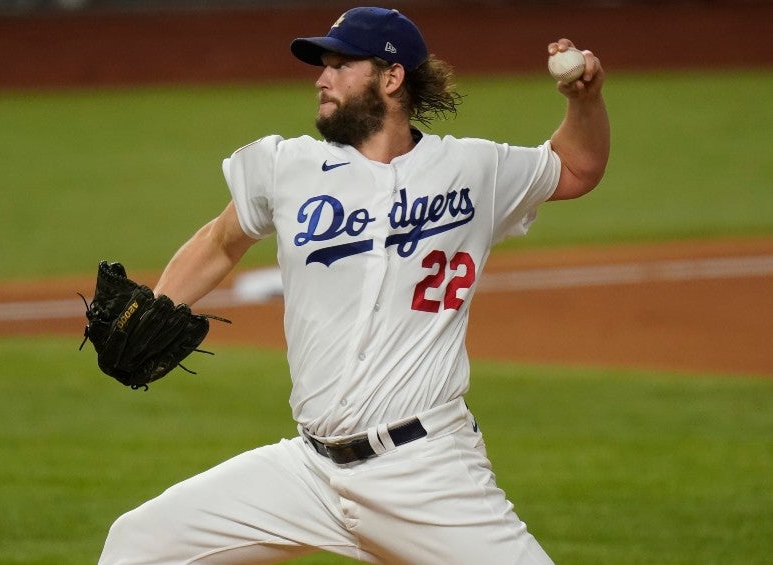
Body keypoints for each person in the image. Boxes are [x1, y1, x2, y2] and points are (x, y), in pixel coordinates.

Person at [99, 6, 608, 564]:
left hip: (427, 472)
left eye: (341, 64)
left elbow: (577, 167)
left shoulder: (474, 171)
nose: (322, 78)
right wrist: (156, 305)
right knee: (138, 544)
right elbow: (222, 240)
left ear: (392, 78)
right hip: (309, 473)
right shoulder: (287, 166)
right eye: (323, 65)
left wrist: (583, 101)